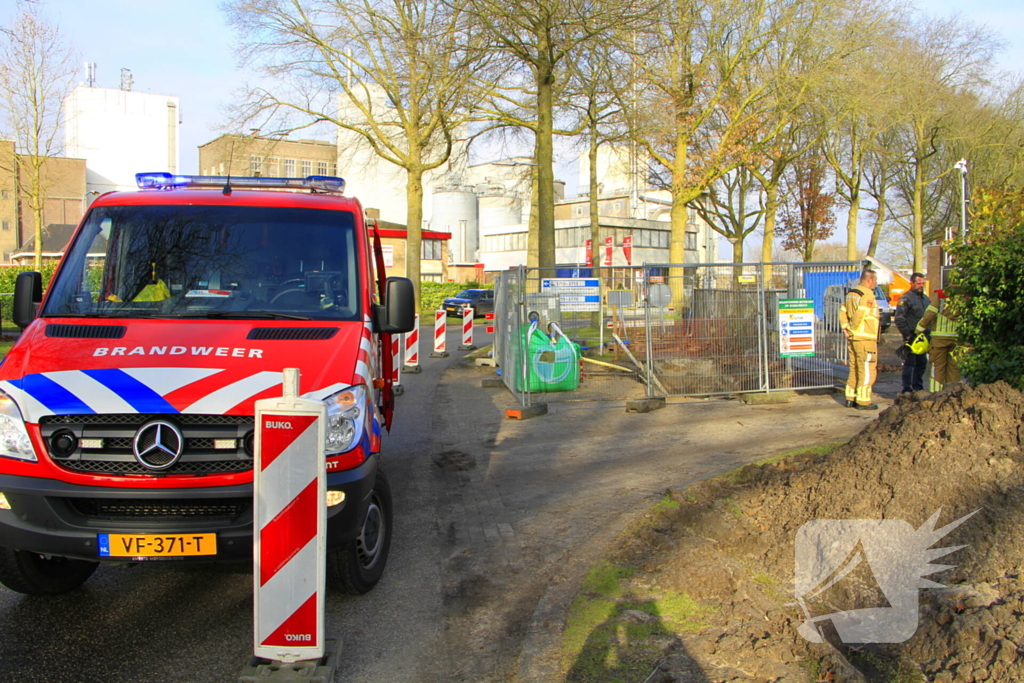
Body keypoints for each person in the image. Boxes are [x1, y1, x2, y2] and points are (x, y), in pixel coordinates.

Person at [839, 268, 881, 410]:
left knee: (854, 367)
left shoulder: (851, 293)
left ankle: (850, 397)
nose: (876, 283)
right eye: (875, 280)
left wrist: (846, 328)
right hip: (865, 338)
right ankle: (863, 400)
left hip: (854, 338)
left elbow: (843, 311)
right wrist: (852, 328)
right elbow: (860, 313)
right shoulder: (867, 294)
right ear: (869, 280)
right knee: (867, 369)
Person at [915, 289, 960, 390]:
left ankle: (936, 393)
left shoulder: (941, 294)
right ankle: (953, 393)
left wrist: (918, 330)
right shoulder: (965, 295)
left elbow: (930, 313)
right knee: (954, 369)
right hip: (957, 338)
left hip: (939, 338)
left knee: (938, 368)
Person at [894, 273, 930, 394]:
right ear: (912, 283)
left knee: (922, 363)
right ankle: (907, 389)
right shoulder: (906, 298)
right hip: (911, 336)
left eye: (923, 283)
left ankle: (917, 387)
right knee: (910, 363)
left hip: (923, 338)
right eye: (918, 283)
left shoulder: (926, 299)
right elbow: (899, 318)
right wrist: (907, 334)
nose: (921, 285)